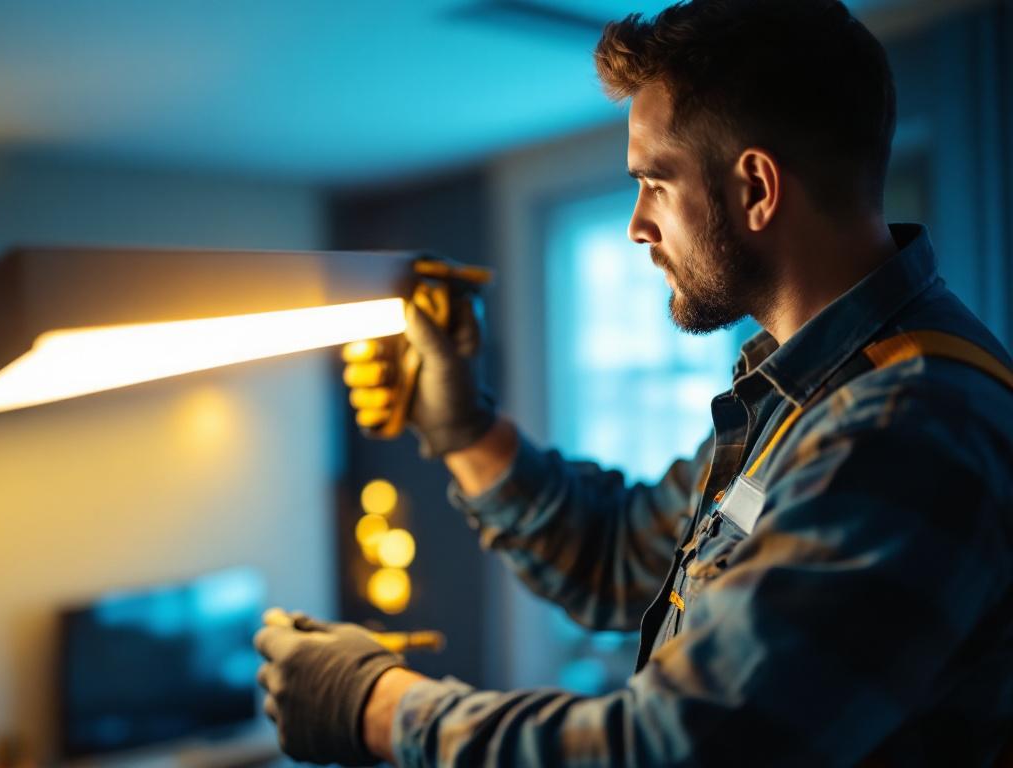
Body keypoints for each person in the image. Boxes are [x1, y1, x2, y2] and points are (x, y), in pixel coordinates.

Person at [253, 0, 1013, 764]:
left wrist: (375, 706)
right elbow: (621, 555)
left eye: (654, 181)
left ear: (755, 188)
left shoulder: (901, 426)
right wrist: (462, 429)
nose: (637, 226)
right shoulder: (807, 397)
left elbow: (673, 749)